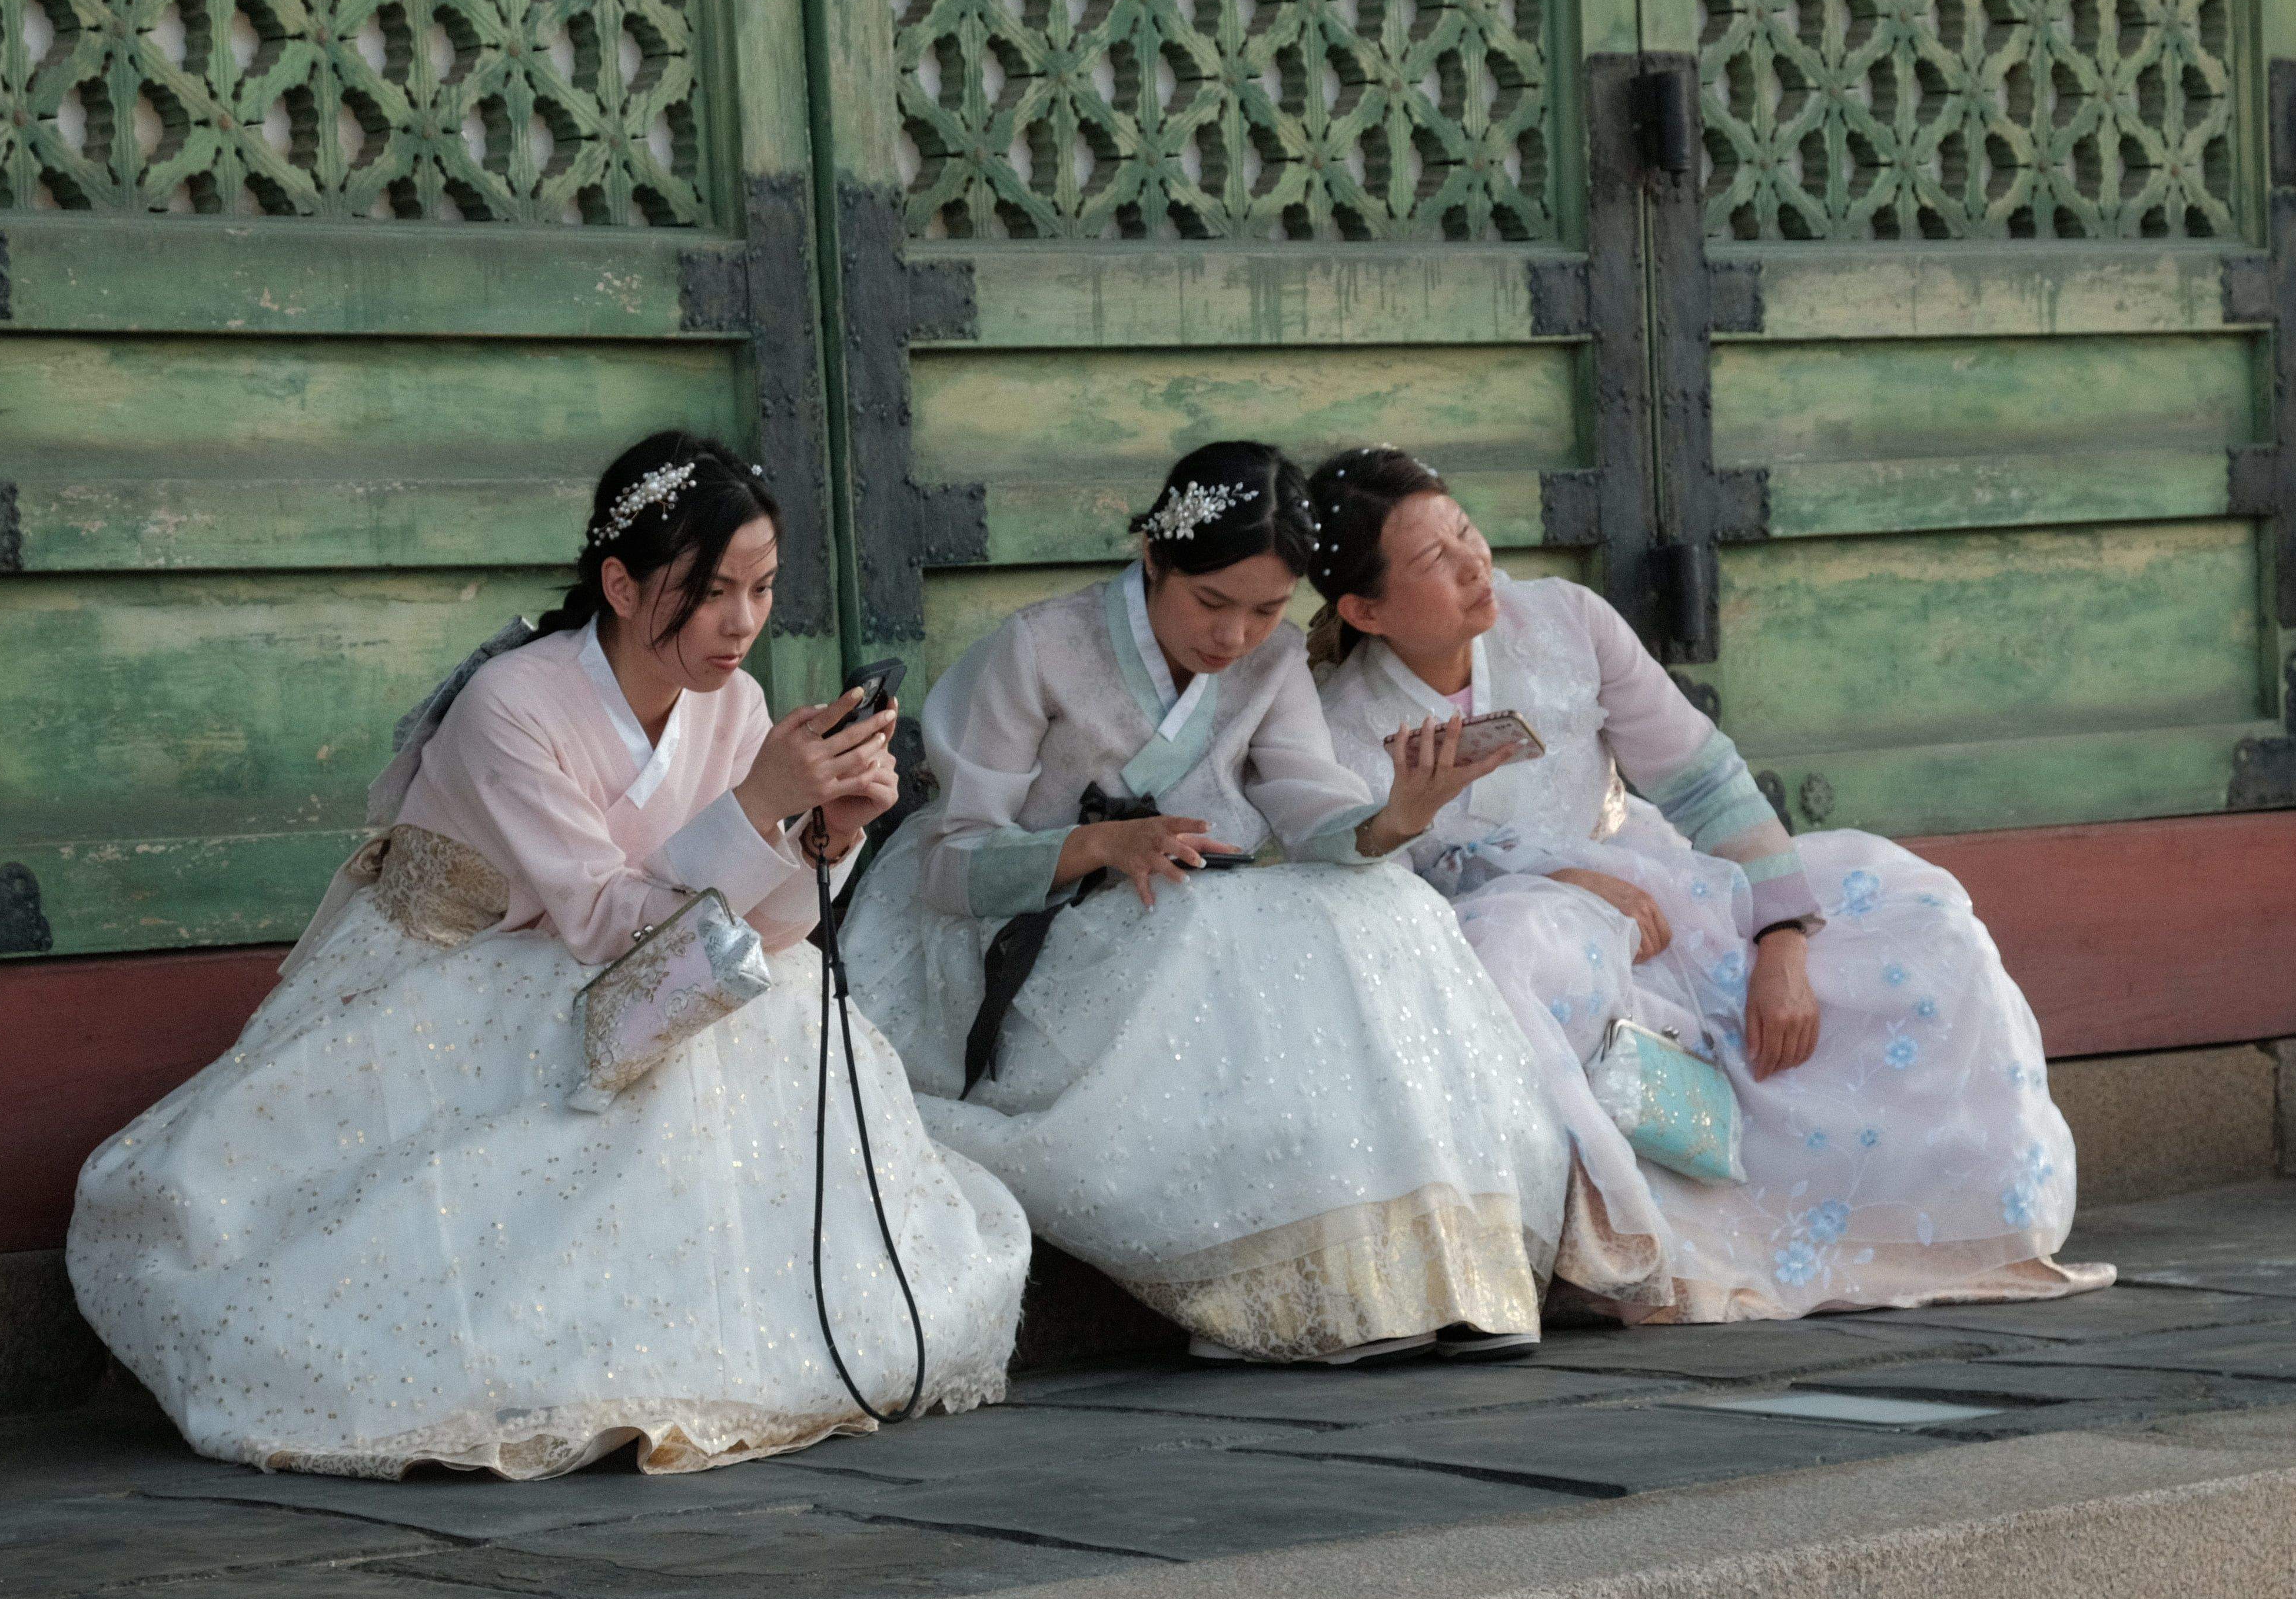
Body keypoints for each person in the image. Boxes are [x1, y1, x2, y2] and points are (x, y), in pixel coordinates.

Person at [68, 433, 1031, 1478]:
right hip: (468, 966)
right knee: (641, 1059)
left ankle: (714, 1339)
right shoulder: (512, 705)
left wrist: (826, 836)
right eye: (710, 592)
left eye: (761, 589)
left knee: (775, 1002)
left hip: (636, 967)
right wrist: (760, 803)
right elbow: (605, 922)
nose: (742, 622)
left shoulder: (740, 707)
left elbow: (766, 932)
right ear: (620, 584)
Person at [837, 440, 1605, 1364]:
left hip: (1171, 918)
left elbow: (1312, 809)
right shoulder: (1037, 649)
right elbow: (951, 865)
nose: (1235, 637)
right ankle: (1283, 1302)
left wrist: (1395, 815)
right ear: (1153, 557)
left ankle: (1431, 1276)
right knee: (1214, 931)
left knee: (1393, 909)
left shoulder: (1272, 664)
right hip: (1018, 932)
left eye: (1267, 609)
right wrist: (1100, 846)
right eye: (1211, 603)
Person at [1305, 446, 2106, 1322]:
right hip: (1536, 943)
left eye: (1467, 531)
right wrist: (1552, 877)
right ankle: (1631, 1248)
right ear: (1365, 610)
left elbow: (1704, 782)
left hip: (1663, 898)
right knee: (1516, 948)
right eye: (1435, 559)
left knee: (1923, 919)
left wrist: (1781, 935)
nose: (1474, 565)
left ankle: (1954, 1222)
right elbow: (1383, 903)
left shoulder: (1567, 620)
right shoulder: (1341, 728)